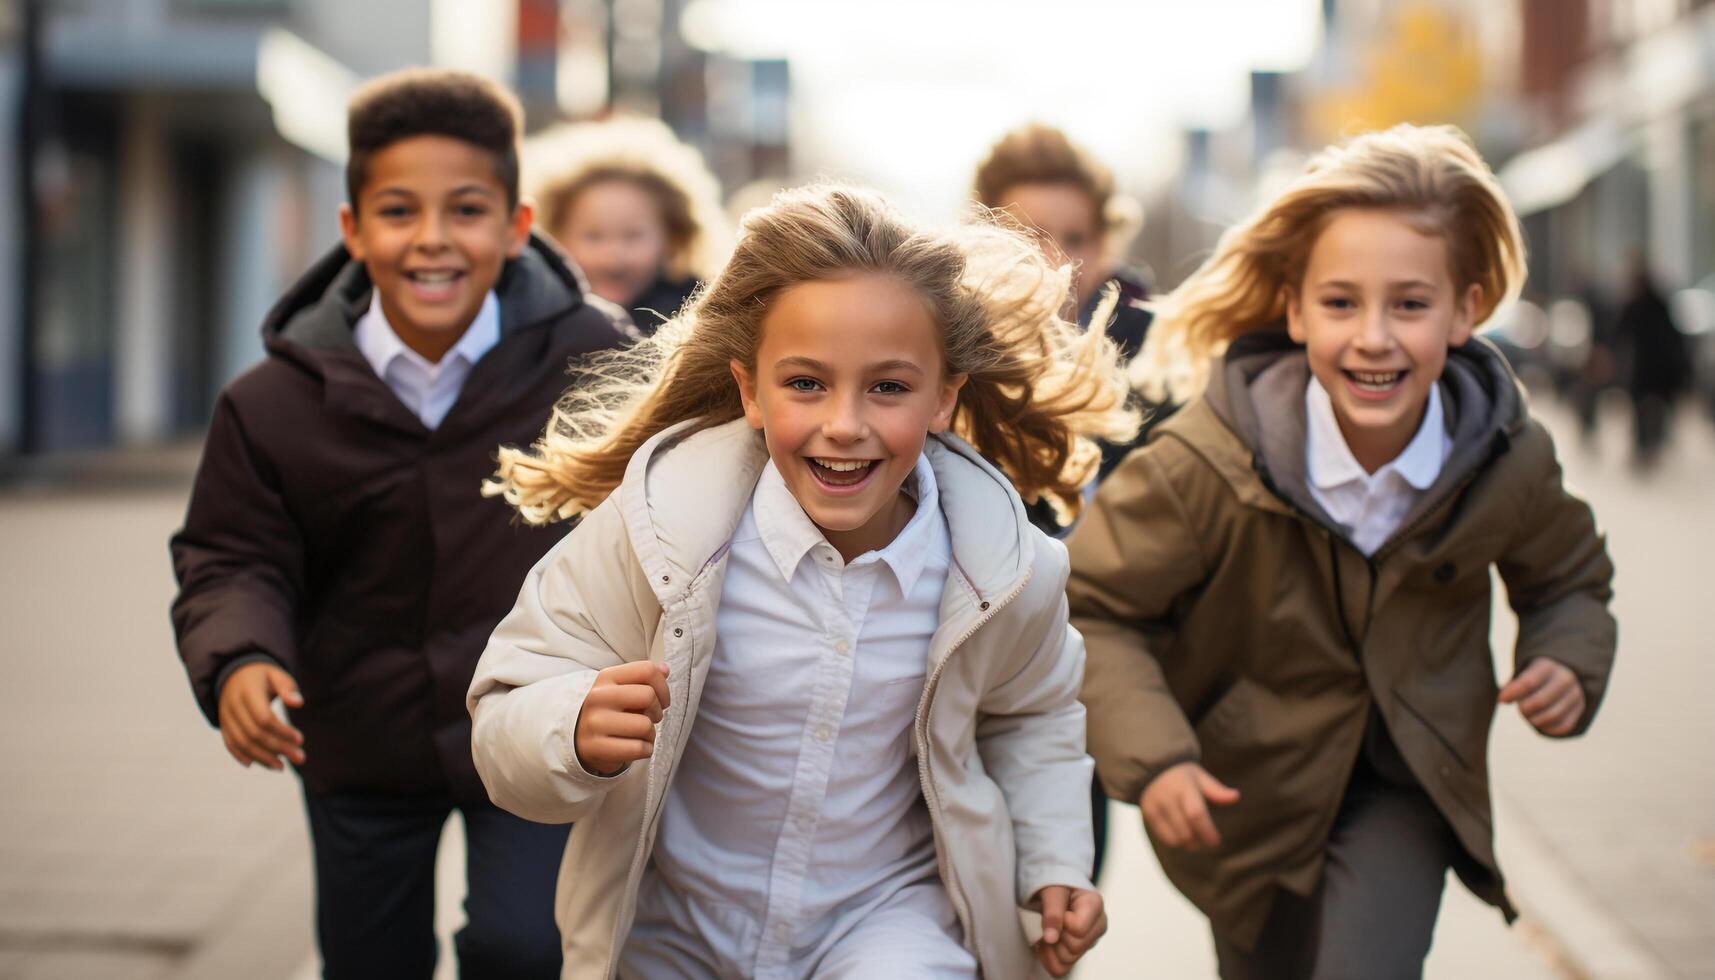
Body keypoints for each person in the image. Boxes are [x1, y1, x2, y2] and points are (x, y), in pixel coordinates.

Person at [468, 184, 1138, 979]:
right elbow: (506, 708)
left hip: (888, 921)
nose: (844, 424)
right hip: (672, 930)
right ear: (750, 389)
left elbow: (1032, 722)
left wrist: (1053, 863)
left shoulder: (1007, 570)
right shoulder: (657, 532)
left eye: (887, 387)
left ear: (942, 397)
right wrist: (570, 727)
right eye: (805, 384)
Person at [1066, 124, 1617, 980]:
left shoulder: (1504, 457)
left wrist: (1565, 659)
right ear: (1293, 309)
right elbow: (1097, 608)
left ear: (1465, 309)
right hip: (1239, 795)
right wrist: (1157, 755)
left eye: (1408, 303)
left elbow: (1570, 579)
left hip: (1406, 779)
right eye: (1339, 303)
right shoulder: (1206, 462)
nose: (1372, 337)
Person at [168, 68, 630, 979]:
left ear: (514, 226)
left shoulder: (599, 363)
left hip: (538, 723)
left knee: (529, 947)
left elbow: (666, 522)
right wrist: (241, 660)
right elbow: (232, 554)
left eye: (464, 210)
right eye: (396, 211)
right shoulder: (270, 401)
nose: (431, 241)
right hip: (356, 736)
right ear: (351, 230)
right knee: (368, 961)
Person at [972, 122, 1157, 876]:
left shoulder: (1156, 352)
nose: (1053, 264)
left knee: (1059, 884)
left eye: (1074, 238)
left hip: (1085, 672)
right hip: (964, 660)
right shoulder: (944, 345)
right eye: (1029, 237)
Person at [524, 115, 728, 333]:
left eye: (632, 236)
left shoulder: (705, 321)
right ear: (556, 237)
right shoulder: (534, 320)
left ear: (672, 236)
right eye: (594, 236)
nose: (613, 256)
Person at [1615, 249, 1690, 469]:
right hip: (1653, 366)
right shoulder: (1653, 301)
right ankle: (1648, 446)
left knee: (1645, 408)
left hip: (1649, 366)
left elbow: (1619, 333)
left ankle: (1648, 446)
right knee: (1648, 408)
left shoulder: (1641, 302)